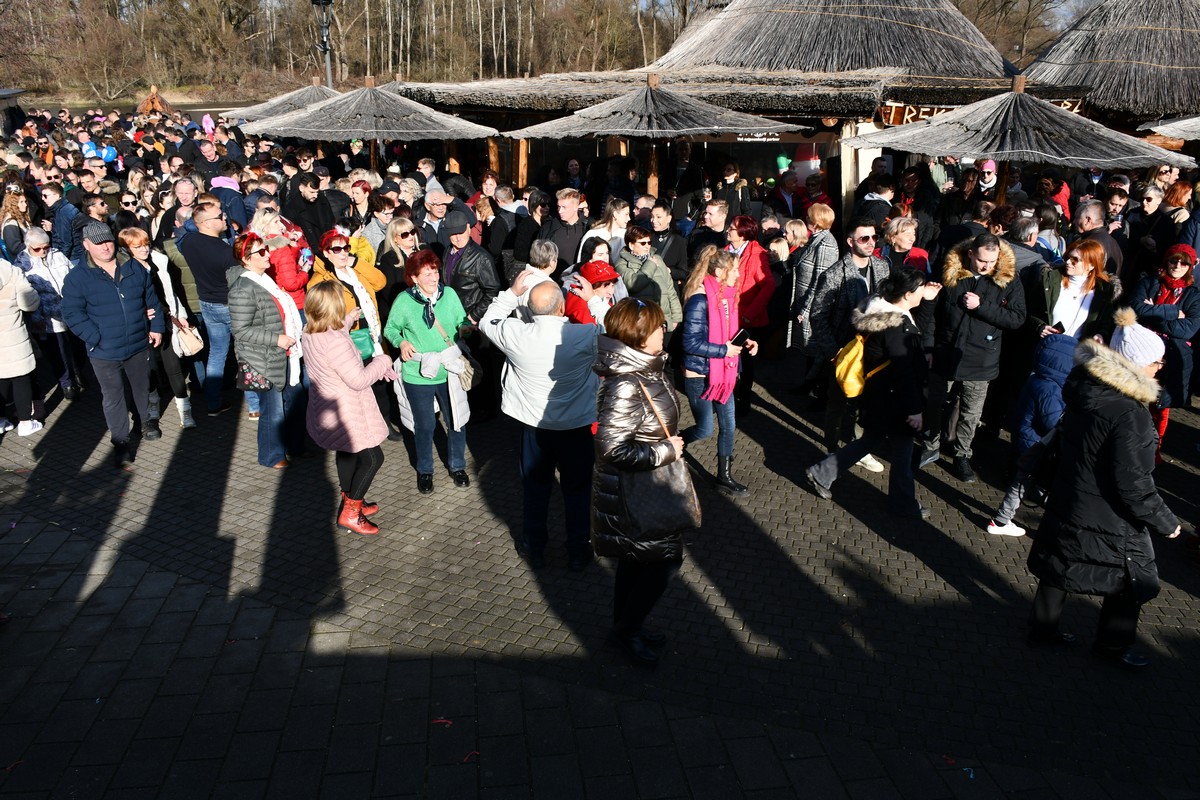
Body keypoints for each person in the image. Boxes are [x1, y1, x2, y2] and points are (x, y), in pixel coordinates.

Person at [1026, 311, 1181, 668]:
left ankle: (1042, 629)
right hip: (1106, 511)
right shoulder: (1131, 413)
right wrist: (1165, 521)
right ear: (1139, 364)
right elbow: (1133, 482)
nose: (1160, 368)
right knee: (1134, 576)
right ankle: (1112, 646)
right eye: (1157, 361)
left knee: (1059, 562)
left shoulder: (1086, 385)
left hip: (1070, 494)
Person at [479, 273, 605, 571]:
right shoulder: (584, 336)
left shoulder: (516, 333)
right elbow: (620, 329)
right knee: (577, 491)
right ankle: (577, 549)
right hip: (576, 429)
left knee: (536, 489)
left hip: (535, 429)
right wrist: (594, 300)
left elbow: (487, 321)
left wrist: (511, 293)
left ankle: (534, 547)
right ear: (561, 308)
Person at [591, 297, 689, 667]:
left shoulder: (648, 368)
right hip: (636, 492)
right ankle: (626, 630)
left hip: (647, 486)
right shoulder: (627, 383)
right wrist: (665, 452)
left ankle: (626, 625)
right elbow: (611, 448)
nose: (664, 330)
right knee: (665, 562)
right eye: (658, 326)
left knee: (634, 563)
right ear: (638, 334)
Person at [803, 269, 941, 519]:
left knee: (870, 441)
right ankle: (903, 504)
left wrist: (928, 300)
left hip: (880, 397)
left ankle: (822, 473)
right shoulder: (897, 327)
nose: (924, 291)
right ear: (908, 294)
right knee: (902, 454)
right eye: (920, 289)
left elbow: (915, 328)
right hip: (894, 401)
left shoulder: (885, 313)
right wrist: (914, 410)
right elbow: (904, 372)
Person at [916, 232, 1026, 483]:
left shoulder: (1008, 280)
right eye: (982, 261)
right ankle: (930, 444)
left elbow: (1017, 318)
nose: (987, 266)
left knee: (971, 413)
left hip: (982, 359)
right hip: (945, 353)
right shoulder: (951, 274)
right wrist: (929, 347)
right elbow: (933, 313)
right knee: (933, 402)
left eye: (992, 261)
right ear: (970, 254)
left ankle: (962, 455)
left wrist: (983, 307)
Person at [61, 222, 165, 466]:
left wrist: (157, 326)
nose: (106, 247)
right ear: (86, 245)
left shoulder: (133, 267)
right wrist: (96, 338)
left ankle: (145, 422)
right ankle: (120, 441)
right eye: (98, 243)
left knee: (141, 388)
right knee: (113, 396)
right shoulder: (77, 277)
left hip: (138, 343)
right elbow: (72, 314)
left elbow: (151, 298)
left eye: (108, 241)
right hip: (105, 352)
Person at [302, 282, 398, 535]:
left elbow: (333, 335)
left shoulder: (310, 332)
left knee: (346, 453)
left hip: (328, 406)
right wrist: (383, 360)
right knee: (373, 458)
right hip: (349, 411)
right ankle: (351, 513)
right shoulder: (336, 342)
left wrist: (346, 321)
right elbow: (358, 380)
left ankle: (351, 500)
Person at [383, 249, 472, 494]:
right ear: (414, 277)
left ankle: (457, 466)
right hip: (417, 371)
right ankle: (425, 470)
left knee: (456, 420)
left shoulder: (450, 294)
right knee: (424, 425)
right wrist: (401, 342)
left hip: (448, 368)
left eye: (435, 271)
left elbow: (461, 320)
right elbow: (390, 329)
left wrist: (466, 328)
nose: (434, 277)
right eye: (427, 273)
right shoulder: (404, 300)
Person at [680, 247, 759, 496]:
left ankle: (723, 476)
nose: (738, 274)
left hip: (724, 376)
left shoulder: (726, 297)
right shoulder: (699, 300)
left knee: (729, 424)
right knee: (705, 429)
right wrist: (724, 351)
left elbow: (726, 334)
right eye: (735, 270)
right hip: (700, 376)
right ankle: (674, 444)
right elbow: (690, 343)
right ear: (720, 272)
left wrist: (744, 341)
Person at [228, 232, 308, 469]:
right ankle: (271, 455)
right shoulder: (242, 288)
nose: (268, 254)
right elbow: (241, 331)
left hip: (285, 355)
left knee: (295, 402)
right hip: (263, 358)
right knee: (273, 410)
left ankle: (295, 446)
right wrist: (276, 339)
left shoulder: (266, 278)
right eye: (261, 252)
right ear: (246, 259)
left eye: (266, 249)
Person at [119, 227, 197, 429]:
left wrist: (180, 315)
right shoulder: (125, 270)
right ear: (128, 248)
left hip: (167, 320)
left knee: (174, 367)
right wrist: (140, 312)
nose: (144, 249)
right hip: (142, 326)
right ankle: (153, 408)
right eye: (138, 247)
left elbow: (172, 292)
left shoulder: (159, 262)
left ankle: (185, 409)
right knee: (150, 368)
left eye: (145, 244)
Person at [1129, 244, 1200, 460]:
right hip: (1140, 352)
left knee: (1160, 406)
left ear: (1190, 266)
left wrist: (1153, 315)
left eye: (1183, 262)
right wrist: (1171, 312)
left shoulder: (1193, 295)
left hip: (1170, 359)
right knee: (1131, 400)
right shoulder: (1148, 282)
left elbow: (1188, 328)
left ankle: (1153, 451)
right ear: (1166, 261)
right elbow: (1135, 310)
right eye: (1173, 260)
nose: (1177, 265)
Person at [15, 228, 84, 400]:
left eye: (45, 247)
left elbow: (74, 276)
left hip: (70, 311)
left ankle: (78, 372)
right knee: (57, 351)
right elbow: (27, 295)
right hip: (48, 317)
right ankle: (66, 383)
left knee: (77, 346)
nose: (43, 252)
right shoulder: (22, 264)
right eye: (37, 249)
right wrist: (37, 318)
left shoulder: (58, 255)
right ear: (28, 246)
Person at [1026, 239, 1119, 343]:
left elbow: (1106, 322)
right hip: (1045, 346)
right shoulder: (1050, 280)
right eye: (1067, 257)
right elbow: (1030, 310)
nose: (1068, 262)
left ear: (1091, 265)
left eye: (1075, 260)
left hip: (1077, 353)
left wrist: (1100, 334)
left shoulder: (1103, 292)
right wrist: (1040, 326)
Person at [614, 226, 682, 336]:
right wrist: (650, 265)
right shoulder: (622, 264)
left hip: (664, 320)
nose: (647, 246)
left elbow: (670, 289)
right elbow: (633, 284)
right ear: (631, 245)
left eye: (649, 242)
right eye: (643, 243)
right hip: (640, 322)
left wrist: (676, 317)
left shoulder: (657, 259)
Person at [0, 256, 41, 436]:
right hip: (13, 336)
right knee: (20, 378)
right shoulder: (11, 271)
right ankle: (25, 423)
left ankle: (1, 420)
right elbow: (28, 303)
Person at [564, 260, 619, 325]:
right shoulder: (580, 310)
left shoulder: (606, 304)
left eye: (612, 286)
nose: (611, 292)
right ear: (591, 286)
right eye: (606, 286)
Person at [578, 197, 630, 263]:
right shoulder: (593, 234)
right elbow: (581, 260)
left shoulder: (624, 235)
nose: (629, 218)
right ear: (615, 214)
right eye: (626, 214)